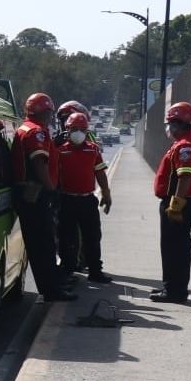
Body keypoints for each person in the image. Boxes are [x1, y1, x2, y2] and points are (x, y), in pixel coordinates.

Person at [11, 92, 75, 302]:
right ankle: (51, 290)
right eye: (49, 113)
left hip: (28, 194)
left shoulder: (25, 128)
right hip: (36, 195)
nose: (50, 117)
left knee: (42, 244)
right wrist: (51, 189)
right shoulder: (37, 132)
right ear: (44, 112)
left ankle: (51, 285)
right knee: (44, 245)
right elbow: (39, 164)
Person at [151, 101, 191, 303]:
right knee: (175, 247)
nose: (169, 128)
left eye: (170, 124)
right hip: (181, 201)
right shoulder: (188, 142)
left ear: (178, 123)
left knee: (174, 248)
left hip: (179, 202)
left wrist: (175, 205)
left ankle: (175, 291)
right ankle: (171, 288)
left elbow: (185, 177)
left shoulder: (185, 146)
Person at [55, 112, 113, 283]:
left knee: (93, 237)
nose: (78, 133)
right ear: (67, 130)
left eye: (82, 129)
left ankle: (95, 271)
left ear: (87, 131)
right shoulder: (60, 150)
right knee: (67, 238)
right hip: (67, 200)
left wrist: (106, 192)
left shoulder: (93, 149)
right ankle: (68, 270)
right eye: (74, 129)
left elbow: (100, 172)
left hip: (87, 200)